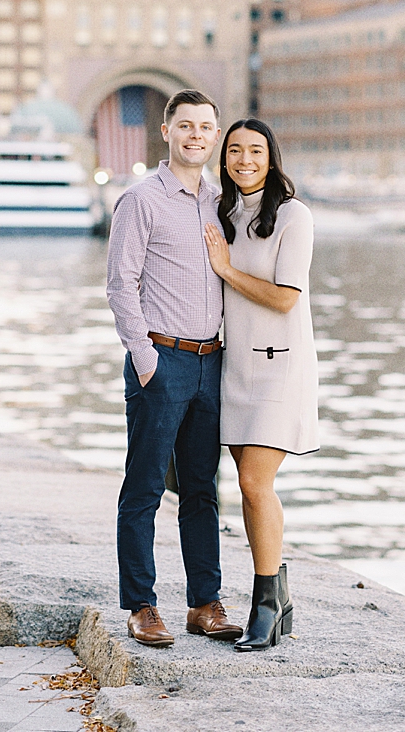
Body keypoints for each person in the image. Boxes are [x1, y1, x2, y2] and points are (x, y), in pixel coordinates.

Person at [104, 88, 242, 647]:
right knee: (142, 489)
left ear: (215, 134)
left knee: (202, 491)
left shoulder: (221, 202)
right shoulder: (141, 200)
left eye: (205, 127)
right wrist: (144, 360)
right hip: (161, 362)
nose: (196, 136)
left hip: (213, 363)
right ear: (167, 131)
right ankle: (141, 606)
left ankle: (204, 603)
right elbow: (120, 285)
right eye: (185, 125)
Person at [202, 118, 319, 651]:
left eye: (255, 151)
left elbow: (285, 297)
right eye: (234, 150)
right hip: (235, 369)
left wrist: (225, 270)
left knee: (254, 482)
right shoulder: (222, 213)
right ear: (224, 159)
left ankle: (266, 605)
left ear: (271, 158)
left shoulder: (294, 217)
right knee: (248, 492)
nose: (244, 159)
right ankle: (279, 595)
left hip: (281, 366)